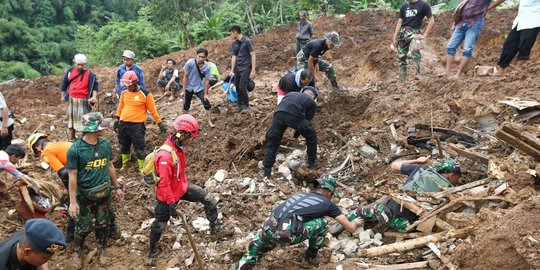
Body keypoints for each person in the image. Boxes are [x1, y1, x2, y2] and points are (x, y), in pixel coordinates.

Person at [235, 176, 363, 270]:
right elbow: (350, 228)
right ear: (329, 192)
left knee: (255, 250)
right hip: (285, 234)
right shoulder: (328, 204)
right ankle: (311, 257)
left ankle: (244, 264)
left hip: (268, 227)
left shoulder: (301, 195)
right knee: (323, 223)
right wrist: (356, 222)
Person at [148, 114, 226, 259]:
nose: (191, 140)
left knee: (209, 199)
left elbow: (180, 171)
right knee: (160, 224)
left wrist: (182, 187)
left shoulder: (178, 146)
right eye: (190, 137)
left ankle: (215, 228)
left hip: (180, 188)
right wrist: (171, 203)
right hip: (167, 195)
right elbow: (164, 184)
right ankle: (151, 250)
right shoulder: (165, 156)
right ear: (182, 134)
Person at [333, 157, 466, 234]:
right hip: (407, 226)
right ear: (451, 175)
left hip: (388, 213)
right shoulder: (450, 191)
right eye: (458, 177)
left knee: (360, 211)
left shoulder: (421, 169)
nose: (458, 180)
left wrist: (417, 160)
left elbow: (394, 166)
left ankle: (336, 229)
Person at [67, 112, 124, 261]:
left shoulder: (105, 145)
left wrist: (117, 187)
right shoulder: (76, 150)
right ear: (93, 129)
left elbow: (110, 166)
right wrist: (72, 202)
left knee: (103, 223)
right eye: (101, 125)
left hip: (104, 192)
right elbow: (72, 176)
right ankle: (77, 252)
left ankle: (101, 250)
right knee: (83, 226)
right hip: (83, 194)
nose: (105, 128)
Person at [114, 71, 167, 172]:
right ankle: (125, 164)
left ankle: (143, 168)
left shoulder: (146, 94)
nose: (127, 87)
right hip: (123, 124)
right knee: (123, 146)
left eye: (129, 85)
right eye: (126, 85)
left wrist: (159, 123)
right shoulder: (124, 92)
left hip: (137, 126)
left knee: (139, 148)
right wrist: (117, 118)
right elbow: (121, 106)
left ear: (135, 83)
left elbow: (153, 110)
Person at [263, 87, 319, 179]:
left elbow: (282, 107)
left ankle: (266, 172)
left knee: (273, 141)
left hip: (279, 114)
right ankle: (311, 163)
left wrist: (295, 136)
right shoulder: (311, 102)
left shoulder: (291, 93)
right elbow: (306, 121)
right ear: (313, 96)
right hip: (295, 116)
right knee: (311, 136)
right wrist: (296, 136)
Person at [444, 0, 505, 77]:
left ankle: (458, 74)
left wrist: (489, 7)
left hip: (475, 23)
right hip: (461, 22)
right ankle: (447, 72)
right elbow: (462, 7)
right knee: (450, 47)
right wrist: (454, 23)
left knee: (467, 49)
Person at [494, 0, 540, 76]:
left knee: (524, 46)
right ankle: (500, 71)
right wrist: (491, 6)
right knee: (509, 45)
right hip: (520, 20)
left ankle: (518, 73)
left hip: (533, 21)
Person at [392, 0, 434, 82]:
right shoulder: (404, 6)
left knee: (415, 51)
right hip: (403, 33)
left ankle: (418, 76)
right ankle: (402, 79)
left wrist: (425, 35)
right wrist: (395, 36)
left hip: (415, 33)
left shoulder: (424, 5)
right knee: (401, 56)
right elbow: (400, 22)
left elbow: (431, 21)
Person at [0, 218, 66, 270]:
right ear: (27, 252)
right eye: (45, 258)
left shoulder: (29, 236)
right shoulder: (3, 264)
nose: (50, 260)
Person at [60, 54, 98, 140]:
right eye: (79, 65)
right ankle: (72, 137)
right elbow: (64, 83)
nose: (81, 67)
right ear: (75, 63)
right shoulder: (70, 71)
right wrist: (62, 96)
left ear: (85, 64)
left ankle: (84, 138)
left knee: (84, 120)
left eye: (83, 65)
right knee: (72, 119)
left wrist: (94, 97)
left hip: (84, 100)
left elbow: (95, 87)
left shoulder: (90, 74)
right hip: (72, 99)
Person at [182, 48, 215, 128]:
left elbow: (207, 80)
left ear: (206, 57)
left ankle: (209, 121)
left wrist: (205, 93)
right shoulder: (190, 63)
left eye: (203, 57)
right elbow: (185, 76)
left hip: (199, 86)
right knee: (186, 105)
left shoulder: (207, 66)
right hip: (189, 86)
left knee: (206, 103)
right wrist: (184, 90)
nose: (200, 58)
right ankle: (185, 122)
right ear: (196, 55)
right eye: (199, 56)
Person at [230, 25, 257, 112]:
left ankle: (246, 105)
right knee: (237, 87)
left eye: (231, 33)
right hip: (238, 68)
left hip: (246, 67)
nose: (231, 35)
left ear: (235, 32)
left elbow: (253, 55)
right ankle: (239, 104)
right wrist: (232, 70)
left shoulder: (247, 41)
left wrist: (253, 69)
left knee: (242, 87)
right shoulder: (234, 43)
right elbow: (234, 57)